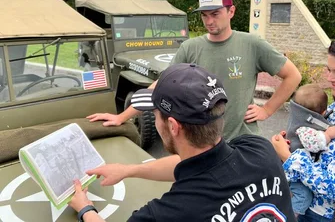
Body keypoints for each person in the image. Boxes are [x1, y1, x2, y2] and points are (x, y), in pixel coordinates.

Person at [69, 63, 296, 222]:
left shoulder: (172, 212)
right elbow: (195, 164)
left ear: (173, 126)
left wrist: (85, 209)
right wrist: (129, 170)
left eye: (155, 114)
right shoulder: (260, 150)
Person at [87, 0, 301, 141]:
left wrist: (268, 110)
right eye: (204, 15)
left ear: (231, 11)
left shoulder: (252, 44)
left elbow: (293, 76)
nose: (209, 21)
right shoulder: (190, 48)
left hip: (242, 142)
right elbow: (160, 86)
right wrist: (122, 116)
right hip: (203, 145)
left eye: (215, 14)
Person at [271, 41, 335, 221]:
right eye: (329, 70)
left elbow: (332, 187)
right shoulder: (331, 108)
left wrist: (289, 157)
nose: (330, 78)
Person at [284, 84, 330, 218]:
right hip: (295, 170)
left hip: (295, 168)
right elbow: (313, 143)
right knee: (303, 195)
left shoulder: (300, 119)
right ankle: (291, 215)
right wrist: (327, 135)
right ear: (321, 113)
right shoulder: (305, 128)